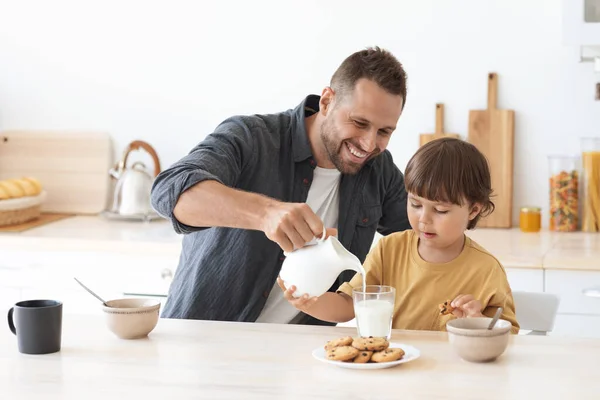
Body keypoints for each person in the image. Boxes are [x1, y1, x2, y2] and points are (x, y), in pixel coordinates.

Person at [150, 46, 412, 325]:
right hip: (205, 344)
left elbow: (424, 237)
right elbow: (170, 190)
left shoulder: (378, 171)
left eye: (384, 132)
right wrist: (266, 213)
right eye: (359, 123)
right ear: (327, 101)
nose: (370, 144)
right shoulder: (252, 138)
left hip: (301, 359)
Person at [279, 137, 520, 334]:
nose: (423, 218)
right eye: (415, 204)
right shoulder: (390, 250)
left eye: (440, 210)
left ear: (474, 210)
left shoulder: (486, 270)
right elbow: (347, 306)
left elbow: (509, 337)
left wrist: (476, 321)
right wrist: (310, 302)